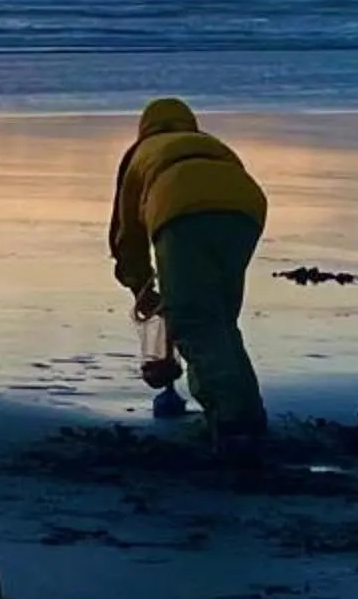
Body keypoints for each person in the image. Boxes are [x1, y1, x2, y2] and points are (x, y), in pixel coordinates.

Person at [107, 96, 270, 443]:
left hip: (179, 209)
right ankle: (247, 415)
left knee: (195, 322)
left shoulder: (141, 153)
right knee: (221, 320)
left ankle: (232, 424)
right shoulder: (207, 144)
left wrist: (139, 284)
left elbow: (127, 235)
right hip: (246, 209)